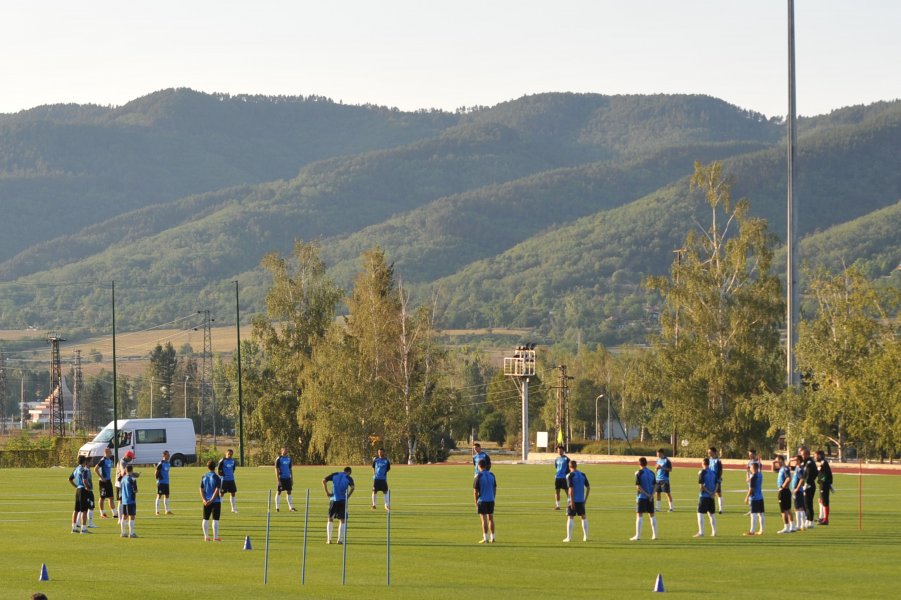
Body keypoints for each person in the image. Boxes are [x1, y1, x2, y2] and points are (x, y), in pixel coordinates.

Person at [323, 467, 355, 544]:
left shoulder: (335, 474)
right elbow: (353, 487)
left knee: (330, 519)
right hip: (342, 500)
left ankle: (329, 539)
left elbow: (323, 480)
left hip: (333, 499)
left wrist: (326, 492)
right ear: (349, 472)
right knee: (342, 520)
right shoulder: (349, 478)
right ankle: (339, 540)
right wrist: (348, 496)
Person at [630, 457, 657, 541]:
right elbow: (655, 485)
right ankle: (655, 535)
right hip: (650, 497)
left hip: (642, 497)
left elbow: (638, 487)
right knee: (652, 515)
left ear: (639, 464)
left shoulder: (639, 473)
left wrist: (646, 494)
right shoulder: (652, 473)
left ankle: (638, 536)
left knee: (639, 515)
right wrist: (651, 495)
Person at [563, 460, 589, 542]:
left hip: (573, 500)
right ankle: (585, 536)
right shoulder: (582, 474)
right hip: (581, 500)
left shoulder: (569, 476)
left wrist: (572, 501)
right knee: (583, 517)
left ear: (569, 467)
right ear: (576, 466)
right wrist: (585, 500)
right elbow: (588, 487)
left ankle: (569, 537)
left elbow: (571, 489)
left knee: (570, 517)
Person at [473, 458, 496, 544]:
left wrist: (476, 503)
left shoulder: (478, 476)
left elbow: (475, 491)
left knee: (484, 519)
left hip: (482, 500)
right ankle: (493, 537)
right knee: (491, 518)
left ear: (479, 466)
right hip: (491, 499)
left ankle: (485, 538)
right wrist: (493, 498)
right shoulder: (492, 475)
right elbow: (494, 488)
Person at [693, 457, 718, 537]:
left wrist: (709, 492)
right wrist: (713, 492)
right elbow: (717, 483)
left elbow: (701, 486)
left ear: (703, 463)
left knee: (700, 513)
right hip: (711, 497)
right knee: (711, 514)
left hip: (704, 496)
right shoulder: (713, 472)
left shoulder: (702, 472)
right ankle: (714, 532)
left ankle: (701, 532)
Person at [200, 459, 223, 541]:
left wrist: (204, 499)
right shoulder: (217, 477)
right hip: (215, 501)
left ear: (208, 467)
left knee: (205, 519)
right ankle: (216, 537)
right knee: (215, 519)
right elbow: (217, 490)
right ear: (215, 467)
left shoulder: (204, 476)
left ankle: (206, 537)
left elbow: (201, 489)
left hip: (206, 501)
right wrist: (212, 500)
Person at [68, 455, 91, 534]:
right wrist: (87, 487)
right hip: (83, 490)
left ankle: (74, 528)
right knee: (84, 510)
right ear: (84, 461)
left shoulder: (76, 469)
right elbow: (84, 480)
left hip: (78, 490)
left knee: (76, 510)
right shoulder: (84, 470)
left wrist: (76, 486)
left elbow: (70, 479)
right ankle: (83, 529)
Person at [774, 455, 794, 534]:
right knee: (788, 509)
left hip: (784, 491)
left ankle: (786, 527)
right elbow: (773, 470)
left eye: (777, 461)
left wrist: (782, 487)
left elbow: (788, 478)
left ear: (781, 460)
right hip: (786, 491)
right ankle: (792, 526)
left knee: (783, 511)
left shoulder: (784, 469)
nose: (776, 463)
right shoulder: (782, 469)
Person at [743, 461, 765, 535]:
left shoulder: (753, 477)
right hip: (760, 497)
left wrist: (746, 497)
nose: (750, 469)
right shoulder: (760, 475)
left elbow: (751, 489)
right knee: (761, 514)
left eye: (751, 467)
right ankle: (762, 530)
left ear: (754, 468)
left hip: (754, 497)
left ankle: (752, 531)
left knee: (753, 514)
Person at [799, 445, 818, 528]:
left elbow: (811, 474)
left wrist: (807, 483)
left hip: (809, 485)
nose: (802, 456)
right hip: (807, 485)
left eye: (803, 454)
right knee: (806, 504)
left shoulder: (810, 462)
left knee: (808, 504)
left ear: (807, 454)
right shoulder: (806, 462)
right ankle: (808, 519)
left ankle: (811, 521)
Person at [94, 447, 115, 519]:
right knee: (102, 497)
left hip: (109, 481)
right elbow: (95, 469)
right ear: (106, 452)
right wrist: (102, 477)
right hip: (103, 482)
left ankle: (114, 513)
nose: (111, 453)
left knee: (111, 497)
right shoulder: (102, 460)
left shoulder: (110, 460)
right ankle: (102, 513)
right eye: (110, 452)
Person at [115, 450, 136, 523]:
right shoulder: (123, 462)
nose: (131, 459)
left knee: (122, 500)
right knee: (121, 501)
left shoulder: (124, 461)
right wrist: (134, 474)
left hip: (122, 483)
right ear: (127, 456)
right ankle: (120, 519)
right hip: (120, 483)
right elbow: (124, 472)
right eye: (131, 458)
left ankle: (121, 519)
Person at [274, 447, 296, 512]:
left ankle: (291, 508)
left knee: (289, 492)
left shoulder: (289, 459)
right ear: (281, 451)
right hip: (281, 478)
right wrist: (278, 480)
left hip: (288, 478)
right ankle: (277, 508)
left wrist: (291, 478)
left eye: (286, 450)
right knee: (279, 492)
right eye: (284, 450)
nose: (285, 451)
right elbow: (276, 470)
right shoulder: (279, 459)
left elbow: (290, 469)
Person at [119, 464, 138, 538]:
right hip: (131, 500)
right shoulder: (132, 479)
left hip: (124, 500)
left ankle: (123, 533)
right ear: (132, 470)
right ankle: (131, 533)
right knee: (132, 516)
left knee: (124, 516)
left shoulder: (123, 478)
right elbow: (135, 490)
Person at [217, 448, 239, 513]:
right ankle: (218, 508)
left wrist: (230, 475)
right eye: (229, 454)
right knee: (221, 494)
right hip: (224, 480)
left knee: (233, 493)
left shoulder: (233, 461)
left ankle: (233, 508)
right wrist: (221, 476)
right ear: (226, 453)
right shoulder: (222, 460)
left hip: (231, 480)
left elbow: (233, 469)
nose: (230, 455)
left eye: (231, 454)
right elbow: (218, 470)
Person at [815, 450, 833, 525]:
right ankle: (822, 517)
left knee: (825, 501)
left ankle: (826, 519)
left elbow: (826, 475)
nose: (815, 457)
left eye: (815, 456)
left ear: (819, 456)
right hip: (822, 484)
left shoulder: (824, 463)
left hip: (824, 484)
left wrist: (823, 482)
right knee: (821, 500)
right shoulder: (822, 463)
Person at [790, 454, 808, 531]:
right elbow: (788, 465)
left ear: (799, 461)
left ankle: (799, 525)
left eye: (796, 460)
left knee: (798, 508)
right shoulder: (797, 468)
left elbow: (801, 479)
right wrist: (791, 460)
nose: (795, 461)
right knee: (800, 508)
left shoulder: (800, 469)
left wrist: (797, 488)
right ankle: (803, 525)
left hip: (798, 490)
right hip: (797, 490)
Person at [655, 448, 674, 512]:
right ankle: (658, 508)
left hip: (665, 479)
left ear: (661, 453)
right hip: (658, 479)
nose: (657, 455)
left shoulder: (667, 460)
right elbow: (656, 469)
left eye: (658, 454)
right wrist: (657, 469)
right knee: (657, 493)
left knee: (667, 493)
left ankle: (671, 508)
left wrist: (662, 467)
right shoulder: (657, 460)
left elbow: (670, 469)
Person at [155, 450, 172, 515]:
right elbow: (156, 473)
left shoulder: (168, 463)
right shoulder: (160, 463)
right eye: (167, 455)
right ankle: (157, 511)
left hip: (166, 482)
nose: (169, 456)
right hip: (161, 482)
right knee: (159, 496)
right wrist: (158, 480)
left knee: (167, 496)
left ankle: (167, 510)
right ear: (164, 455)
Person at [707, 447, 724, 513]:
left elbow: (720, 470)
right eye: (708, 452)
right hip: (709, 479)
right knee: (710, 493)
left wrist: (719, 477)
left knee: (718, 494)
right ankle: (710, 508)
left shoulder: (717, 461)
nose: (709, 453)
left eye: (710, 452)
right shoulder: (709, 460)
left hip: (716, 479)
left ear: (714, 452)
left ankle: (721, 509)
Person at [553, 445, 570, 510]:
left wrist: (567, 475)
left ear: (563, 451)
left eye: (560, 450)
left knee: (567, 491)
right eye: (558, 450)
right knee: (557, 491)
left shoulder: (566, 459)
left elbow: (569, 468)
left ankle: (569, 504)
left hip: (564, 477)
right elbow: (556, 467)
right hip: (558, 477)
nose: (559, 451)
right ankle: (558, 505)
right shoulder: (556, 459)